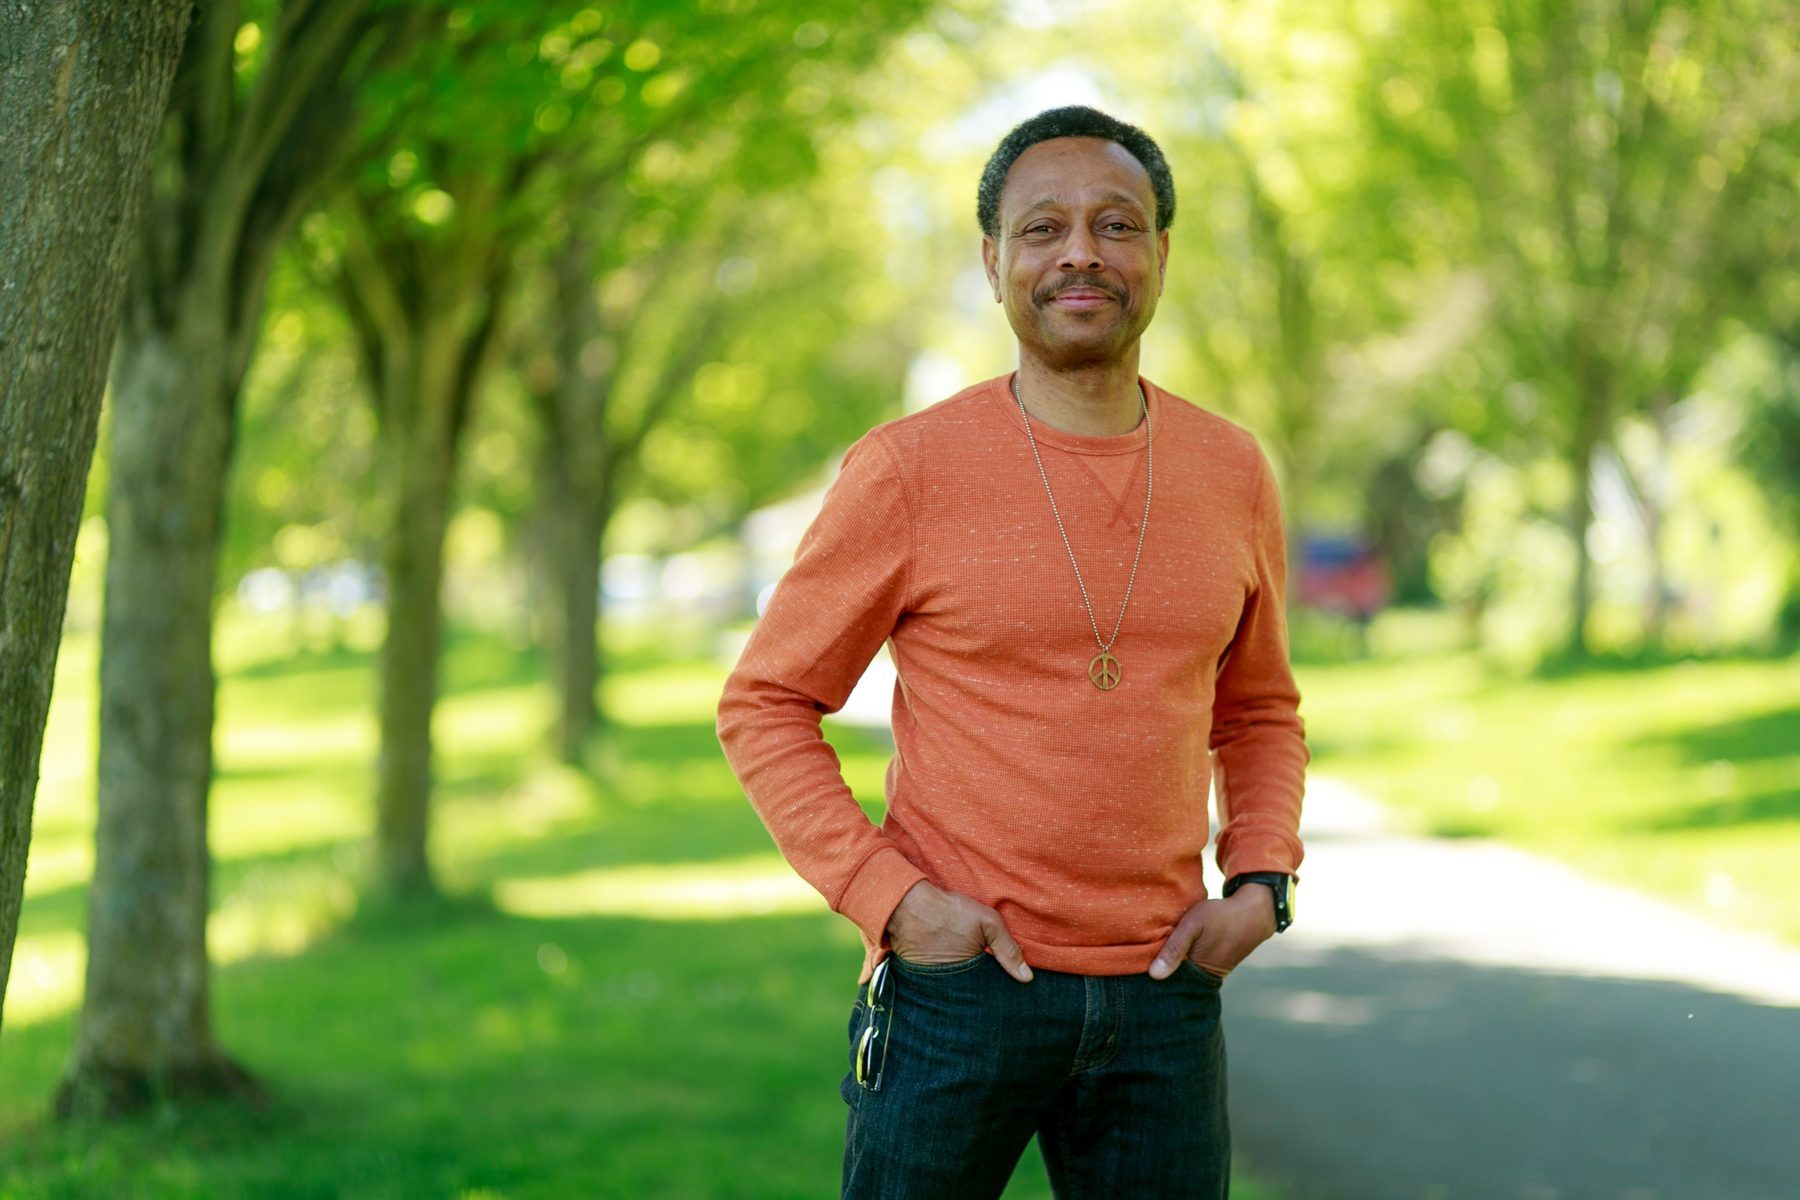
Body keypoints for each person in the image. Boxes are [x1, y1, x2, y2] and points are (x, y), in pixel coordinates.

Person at [716, 105, 1308, 1200]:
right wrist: (888, 899)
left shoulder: (1233, 471)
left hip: (1166, 994)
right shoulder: (906, 471)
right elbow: (764, 702)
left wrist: (1262, 883)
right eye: (1042, 229)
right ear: (993, 263)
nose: (1081, 251)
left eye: (1116, 224)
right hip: (959, 990)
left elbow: (1260, 707)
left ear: (1161, 256)